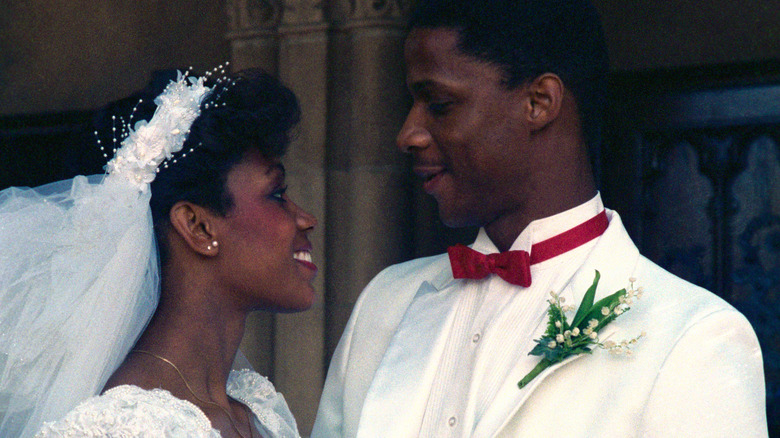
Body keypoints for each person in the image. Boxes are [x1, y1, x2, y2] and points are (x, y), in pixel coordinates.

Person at [312, 1, 768, 437]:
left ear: (539, 101)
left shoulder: (693, 339)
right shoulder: (384, 304)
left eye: (439, 104)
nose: (407, 134)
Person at [0, 68, 317, 438]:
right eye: (277, 194)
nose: (306, 219)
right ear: (198, 227)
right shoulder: (118, 429)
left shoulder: (261, 411)